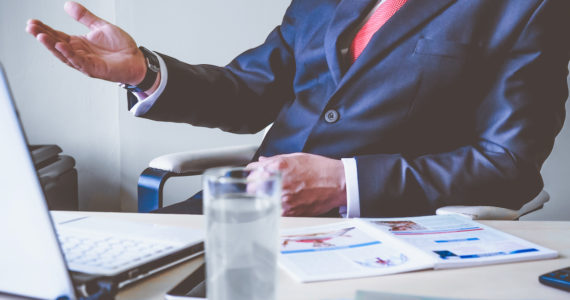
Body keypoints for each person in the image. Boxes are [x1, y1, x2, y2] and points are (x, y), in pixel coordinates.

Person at [26, 1, 570, 217]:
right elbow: (249, 91)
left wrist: (343, 183)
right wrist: (144, 71)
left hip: (384, 228)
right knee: (95, 271)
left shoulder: (530, 6)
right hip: (250, 210)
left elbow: (507, 161)